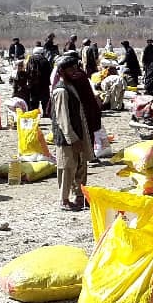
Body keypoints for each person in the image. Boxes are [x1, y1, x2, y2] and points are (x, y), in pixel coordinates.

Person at [51, 56, 92, 211]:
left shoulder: (71, 85)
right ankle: (64, 199)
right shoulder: (61, 90)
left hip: (78, 133)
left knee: (81, 165)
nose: (74, 71)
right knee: (67, 168)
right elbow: (63, 119)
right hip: (67, 137)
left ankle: (80, 196)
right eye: (70, 69)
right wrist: (72, 139)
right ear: (61, 71)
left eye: (75, 68)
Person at [26, 46, 53, 112]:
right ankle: (45, 113)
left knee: (34, 99)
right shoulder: (45, 60)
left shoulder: (30, 59)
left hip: (33, 83)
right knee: (45, 99)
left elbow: (27, 71)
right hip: (44, 83)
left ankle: (34, 112)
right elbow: (49, 72)